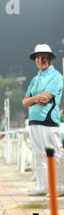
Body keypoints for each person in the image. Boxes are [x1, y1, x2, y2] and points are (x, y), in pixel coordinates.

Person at [23, 44, 64, 196]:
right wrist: (34, 99)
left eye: (44, 57)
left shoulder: (56, 76)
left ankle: (59, 186)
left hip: (48, 121)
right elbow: (25, 102)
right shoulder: (35, 79)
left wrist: (31, 100)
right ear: (35, 60)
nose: (41, 60)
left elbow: (45, 98)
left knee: (54, 154)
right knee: (39, 155)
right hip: (33, 121)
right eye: (38, 57)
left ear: (50, 58)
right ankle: (43, 186)